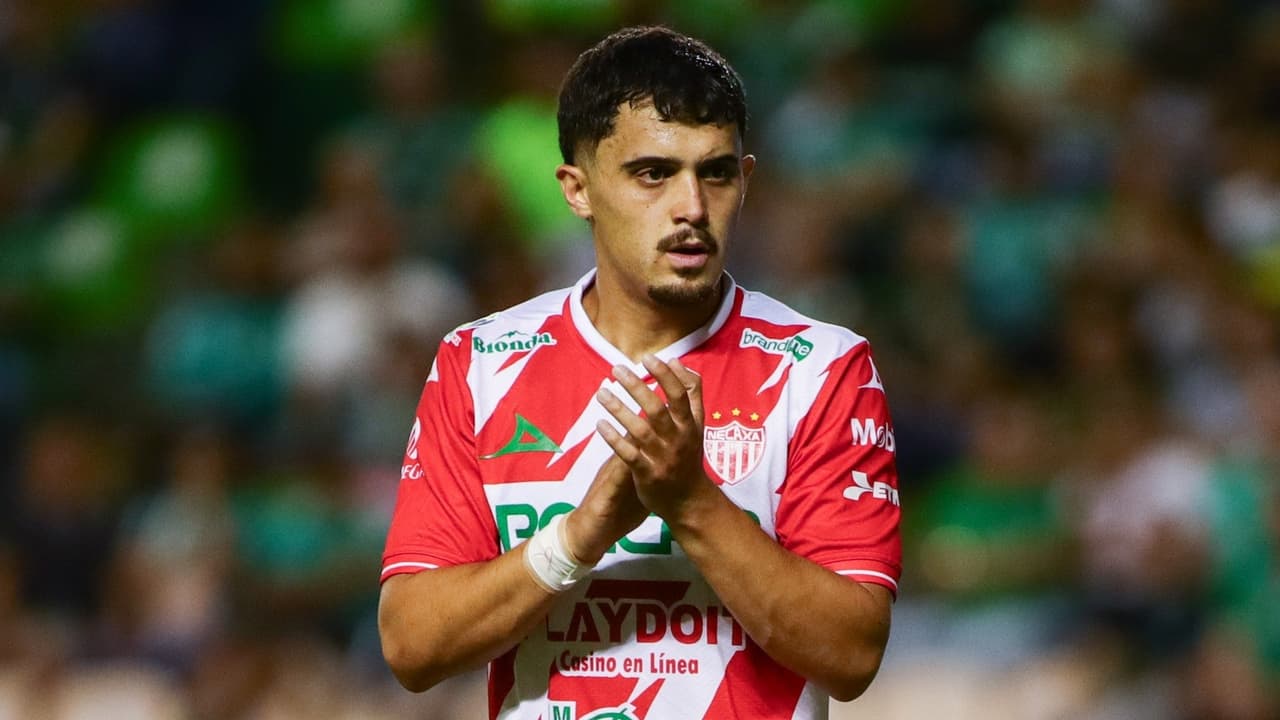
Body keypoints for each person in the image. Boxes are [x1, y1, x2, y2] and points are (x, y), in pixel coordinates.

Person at [378, 26, 901, 720]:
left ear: (745, 181)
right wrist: (578, 537)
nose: (692, 208)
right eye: (653, 174)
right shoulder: (481, 363)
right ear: (578, 190)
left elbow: (852, 654)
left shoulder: (822, 370)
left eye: (715, 173)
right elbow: (411, 644)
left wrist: (690, 503)